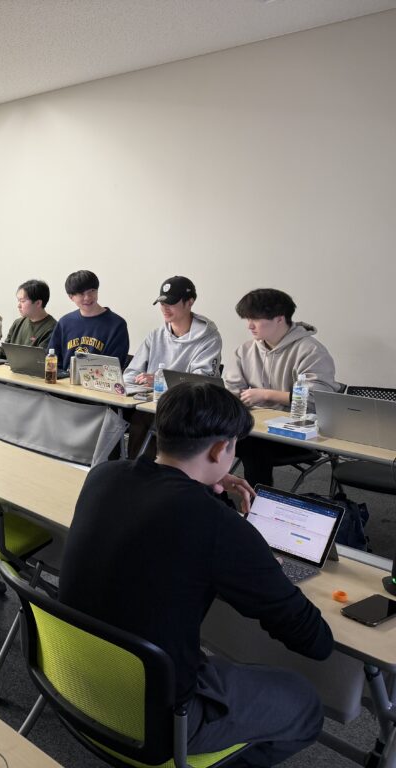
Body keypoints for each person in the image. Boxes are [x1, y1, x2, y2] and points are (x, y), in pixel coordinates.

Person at [60, 383, 331, 766]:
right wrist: (264, 566)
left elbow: (169, 510)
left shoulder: (104, 475)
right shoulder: (217, 525)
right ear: (221, 450)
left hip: (71, 674)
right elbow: (314, 641)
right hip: (157, 718)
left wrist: (207, 486)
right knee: (304, 703)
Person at [225, 288, 341, 487]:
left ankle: (257, 500)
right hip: (256, 426)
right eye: (247, 319)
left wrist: (266, 395)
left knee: (252, 446)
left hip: (297, 433)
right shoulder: (245, 350)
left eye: (255, 319)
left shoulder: (310, 351)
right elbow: (232, 390)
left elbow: (318, 400)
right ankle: (214, 496)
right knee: (207, 436)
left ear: (280, 318)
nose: (249, 326)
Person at [124, 276, 223, 385]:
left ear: (190, 302)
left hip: (187, 396)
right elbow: (131, 373)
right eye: (162, 303)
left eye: (171, 303)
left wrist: (159, 382)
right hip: (149, 395)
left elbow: (201, 384)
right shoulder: (155, 336)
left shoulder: (210, 339)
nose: (165, 308)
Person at [46, 270, 129, 372]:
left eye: (92, 291)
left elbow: (113, 366)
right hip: (65, 380)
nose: (88, 297)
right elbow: (52, 359)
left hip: (98, 380)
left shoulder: (117, 325)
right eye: (81, 294)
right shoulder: (65, 322)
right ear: (71, 297)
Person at [1, 279, 57, 352]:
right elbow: (3, 351)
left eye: (22, 301)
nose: (18, 306)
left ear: (38, 303)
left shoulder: (52, 329)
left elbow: (39, 357)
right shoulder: (17, 323)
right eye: (18, 301)